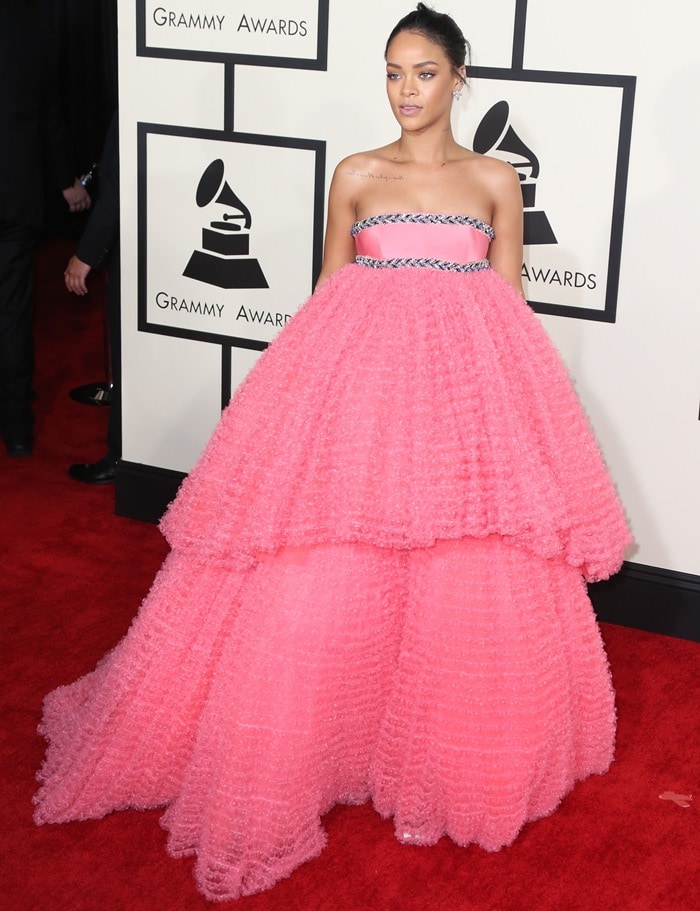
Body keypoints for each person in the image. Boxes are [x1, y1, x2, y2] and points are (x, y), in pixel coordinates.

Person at [34, 5, 631, 902]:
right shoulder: (355, 174)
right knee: (327, 572)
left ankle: (438, 748)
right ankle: (318, 743)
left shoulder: (496, 181)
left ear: (460, 77)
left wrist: (517, 424)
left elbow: (509, 310)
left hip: (464, 405)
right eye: (392, 73)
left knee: (459, 572)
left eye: (424, 73)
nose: (405, 91)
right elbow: (327, 294)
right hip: (361, 396)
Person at [0, 0, 91, 457]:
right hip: (14, 192)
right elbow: (49, 114)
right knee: (11, 310)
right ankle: (16, 427)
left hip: (16, 196)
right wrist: (66, 181)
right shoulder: (32, 21)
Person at [64, 111, 121, 484]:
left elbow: (117, 187)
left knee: (129, 356)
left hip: (139, 254)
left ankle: (120, 455)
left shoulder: (138, 94)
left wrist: (85, 254)